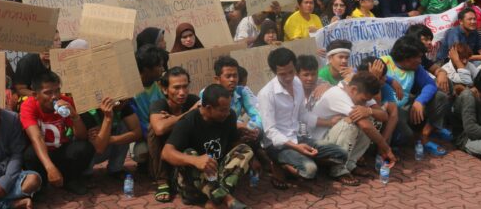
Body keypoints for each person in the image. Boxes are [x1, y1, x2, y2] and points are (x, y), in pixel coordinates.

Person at [257, 48, 347, 189]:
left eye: (291, 72)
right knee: (310, 170)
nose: (288, 77)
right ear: (274, 72)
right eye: (282, 74)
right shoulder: (266, 94)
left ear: (295, 68)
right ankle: (279, 164)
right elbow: (270, 132)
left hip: (298, 138)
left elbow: (303, 114)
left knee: (340, 153)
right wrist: (296, 147)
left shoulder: (297, 83)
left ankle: (301, 160)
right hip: (278, 145)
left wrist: (329, 122)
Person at [162, 84, 253, 208]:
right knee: (189, 153)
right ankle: (227, 198)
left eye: (228, 108)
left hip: (217, 176)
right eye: (222, 110)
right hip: (192, 185)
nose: (227, 113)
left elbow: (233, 145)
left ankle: (214, 200)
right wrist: (196, 160)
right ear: (209, 108)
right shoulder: (188, 122)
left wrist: (247, 146)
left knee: (245, 149)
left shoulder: (229, 116)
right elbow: (166, 153)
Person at [311, 72, 397, 185]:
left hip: (332, 137)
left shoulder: (361, 92)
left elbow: (384, 116)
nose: (365, 102)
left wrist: (369, 111)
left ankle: (349, 164)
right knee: (352, 122)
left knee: (370, 119)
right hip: (318, 144)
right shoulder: (337, 94)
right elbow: (365, 125)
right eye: (364, 99)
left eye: (367, 100)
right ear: (353, 89)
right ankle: (338, 169)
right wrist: (386, 148)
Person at [20, 71, 93, 196]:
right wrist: (50, 168)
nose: (54, 96)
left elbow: (81, 137)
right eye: (48, 92)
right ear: (35, 95)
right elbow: (36, 138)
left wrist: (75, 116)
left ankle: (70, 180)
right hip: (42, 153)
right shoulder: (28, 106)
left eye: (57, 91)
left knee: (84, 148)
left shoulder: (65, 102)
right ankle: (41, 184)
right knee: (30, 154)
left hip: (60, 149)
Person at [382, 36, 450, 155]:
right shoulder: (384, 62)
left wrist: (420, 101)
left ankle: (424, 136)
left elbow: (430, 84)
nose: (420, 60)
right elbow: (363, 73)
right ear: (406, 57)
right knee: (406, 136)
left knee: (441, 97)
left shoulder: (416, 68)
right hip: (388, 110)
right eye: (417, 57)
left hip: (406, 107)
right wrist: (389, 80)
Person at [148, 67, 199, 203]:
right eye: (176, 88)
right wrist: (189, 114)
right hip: (164, 153)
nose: (182, 93)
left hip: (186, 150)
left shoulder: (193, 100)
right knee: (153, 131)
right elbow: (159, 129)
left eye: (185, 87)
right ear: (165, 90)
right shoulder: (159, 104)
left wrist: (173, 120)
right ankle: (162, 181)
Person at [80, 97, 142, 179]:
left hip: (108, 145)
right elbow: (99, 148)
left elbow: (137, 133)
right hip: (92, 153)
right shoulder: (88, 112)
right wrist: (108, 118)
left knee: (125, 126)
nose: (123, 103)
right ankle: (85, 173)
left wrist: (109, 139)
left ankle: (116, 168)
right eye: (121, 102)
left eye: (125, 101)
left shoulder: (123, 106)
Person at [132, 44, 167, 163]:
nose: (162, 69)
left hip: (160, 128)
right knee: (141, 152)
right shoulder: (133, 92)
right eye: (159, 66)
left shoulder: (157, 85)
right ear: (147, 69)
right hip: (144, 134)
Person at [12, 32, 63, 98]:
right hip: (33, 98)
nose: (60, 43)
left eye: (60, 40)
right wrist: (40, 96)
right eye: (56, 40)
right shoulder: (27, 61)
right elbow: (20, 89)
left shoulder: (61, 60)